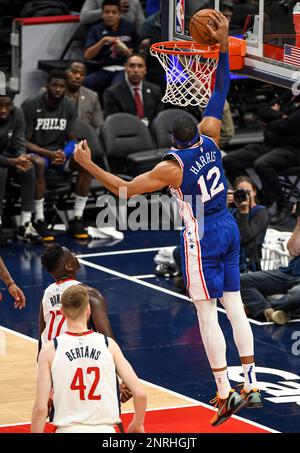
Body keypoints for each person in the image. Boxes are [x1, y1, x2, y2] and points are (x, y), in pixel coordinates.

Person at [74, 11, 262, 427]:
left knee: (206, 311)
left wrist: (88, 165)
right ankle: (250, 380)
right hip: (228, 224)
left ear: (171, 141)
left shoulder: (171, 168)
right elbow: (221, 88)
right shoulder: (211, 136)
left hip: (203, 234)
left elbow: (123, 190)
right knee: (234, 304)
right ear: (196, 131)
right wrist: (221, 44)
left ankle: (223, 390)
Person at [31, 284, 146, 433]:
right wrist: (137, 424)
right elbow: (140, 394)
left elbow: (40, 409)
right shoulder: (108, 345)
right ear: (88, 310)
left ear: (62, 312)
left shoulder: (50, 350)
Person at [39, 243, 132, 403]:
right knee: (106, 417)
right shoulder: (89, 294)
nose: (74, 254)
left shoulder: (46, 296)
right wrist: (125, 379)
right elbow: (108, 342)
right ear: (69, 266)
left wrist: (45, 383)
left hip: (53, 366)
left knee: (64, 421)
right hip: (81, 362)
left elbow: (42, 339)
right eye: (71, 253)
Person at [21, 70, 93, 241]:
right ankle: (39, 219)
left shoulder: (68, 105)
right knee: (38, 163)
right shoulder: (30, 105)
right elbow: (24, 142)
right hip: (37, 153)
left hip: (58, 155)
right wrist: (49, 153)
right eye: (54, 85)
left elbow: (72, 139)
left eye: (61, 86)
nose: (58, 89)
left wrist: (64, 153)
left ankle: (77, 218)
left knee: (86, 162)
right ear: (46, 86)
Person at [222, 91, 300, 224]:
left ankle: (283, 204)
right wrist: (282, 116)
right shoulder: (289, 96)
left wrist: (272, 119)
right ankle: (258, 198)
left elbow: (288, 126)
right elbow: (262, 111)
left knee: (263, 164)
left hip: (292, 150)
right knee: (228, 161)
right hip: (269, 145)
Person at [241, 208, 300, 325]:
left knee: (296, 295)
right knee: (239, 280)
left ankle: (261, 309)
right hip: (288, 272)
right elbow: (293, 250)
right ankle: (270, 312)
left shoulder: (261, 211)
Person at [0, 90, 40, 244]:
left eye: (7, 105)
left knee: (29, 167)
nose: (3, 110)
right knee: (0, 172)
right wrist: (13, 161)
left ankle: (25, 224)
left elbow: (19, 141)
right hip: (5, 162)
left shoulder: (17, 114)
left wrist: (22, 157)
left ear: (12, 105)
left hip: (9, 158)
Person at [84, 0, 139, 95]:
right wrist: (103, 41)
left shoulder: (129, 27)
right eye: (107, 12)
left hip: (124, 68)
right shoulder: (96, 30)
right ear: (102, 14)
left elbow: (136, 52)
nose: (110, 15)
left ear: (119, 14)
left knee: (116, 88)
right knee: (87, 82)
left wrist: (128, 52)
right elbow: (87, 56)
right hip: (103, 68)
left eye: (114, 12)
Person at [103, 53, 163, 125]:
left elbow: (159, 119)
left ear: (145, 70)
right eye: (132, 66)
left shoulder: (155, 90)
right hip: (126, 133)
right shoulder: (112, 93)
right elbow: (112, 123)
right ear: (125, 68)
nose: (136, 70)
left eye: (140, 66)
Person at [228, 176, 269, 273]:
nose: (244, 195)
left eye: (248, 192)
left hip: (248, 264)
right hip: (229, 259)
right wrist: (223, 206)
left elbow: (244, 238)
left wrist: (244, 211)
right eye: (240, 192)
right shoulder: (232, 211)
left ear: (254, 192)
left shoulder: (261, 211)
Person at [65, 61, 104, 133]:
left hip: (82, 138)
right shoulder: (53, 93)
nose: (78, 76)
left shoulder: (92, 96)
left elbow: (98, 125)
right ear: (66, 73)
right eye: (74, 72)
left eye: (82, 74)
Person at [80, 0, 145, 35]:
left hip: (127, 39)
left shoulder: (134, 1)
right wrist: (108, 9)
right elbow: (84, 18)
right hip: (100, 38)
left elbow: (141, 24)